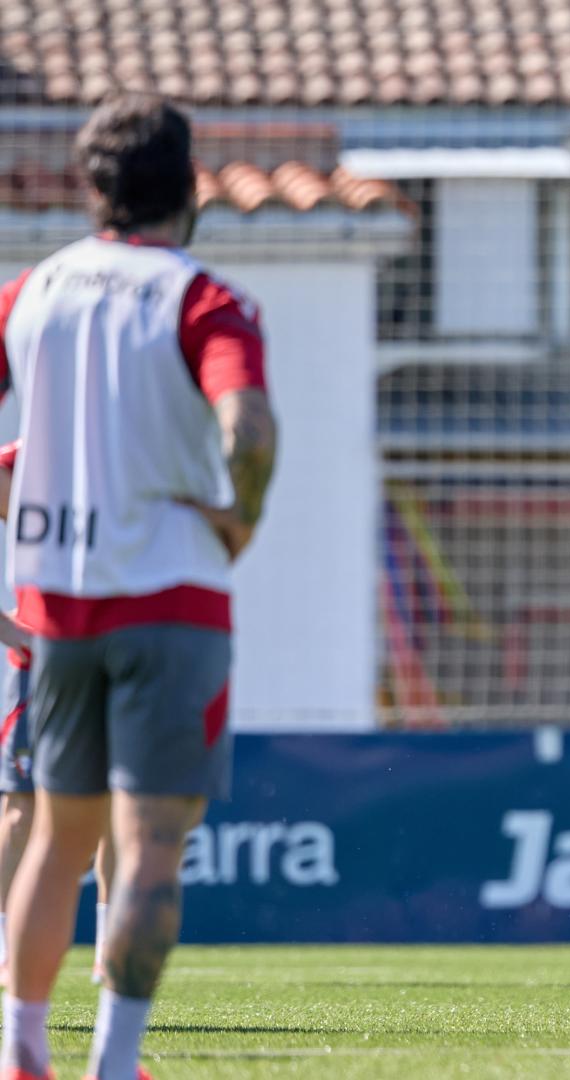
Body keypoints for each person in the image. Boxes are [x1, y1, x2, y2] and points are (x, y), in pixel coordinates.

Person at [0, 94, 277, 1080]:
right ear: (189, 188)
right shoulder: (204, 299)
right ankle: (113, 1066)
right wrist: (238, 521)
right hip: (171, 600)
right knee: (151, 843)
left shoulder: (30, 294)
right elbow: (247, 428)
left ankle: (19, 1051)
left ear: (91, 188)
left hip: (57, 605)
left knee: (56, 842)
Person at [0, 442, 117, 992]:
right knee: (21, 814)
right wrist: (15, 630)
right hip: (42, 672)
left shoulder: (130, 451)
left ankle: (110, 952)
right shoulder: (27, 457)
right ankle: (5, 951)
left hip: (121, 661)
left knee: (121, 811)